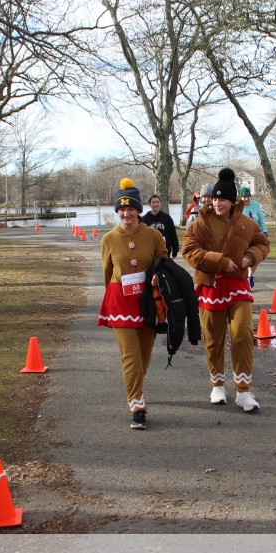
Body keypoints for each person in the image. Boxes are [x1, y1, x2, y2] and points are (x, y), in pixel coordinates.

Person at [183, 168, 270, 413]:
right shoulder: (200, 223)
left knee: (242, 334)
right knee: (213, 338)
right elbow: (189, 252)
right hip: (210, 286)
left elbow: (263, 243)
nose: (217, 203)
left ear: (232, 201)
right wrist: (219, 261)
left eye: (223, 199)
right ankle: (217, 385)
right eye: (215, 199)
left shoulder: (246, 223)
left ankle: (243, 391)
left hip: (238, 285)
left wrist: (250, 257)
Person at [98, 178, 168, 429]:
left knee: (144, 357)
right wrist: (112, 297)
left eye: (130, 209)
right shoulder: (108, 239)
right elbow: (107, 273)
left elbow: (164, 265)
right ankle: (137, 406)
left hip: (147, 302)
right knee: (130, 357)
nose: (126, 214)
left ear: (138, 210)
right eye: (121, 209)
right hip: (120, 302)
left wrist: (158, 280)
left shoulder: (154, 235)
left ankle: (136, 387)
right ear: (117, 211)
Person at [239, 186, 268, 289]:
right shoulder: (238, 207)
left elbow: (260, 220)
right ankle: (244, 277)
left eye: (248, 196)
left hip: (255, 235)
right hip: (243, 236)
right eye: (244, 197)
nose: (246, 199)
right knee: (245, 258)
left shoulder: (255, 205)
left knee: (255, 257)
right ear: (240, 198)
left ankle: (250, 276)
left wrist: (264, 230)